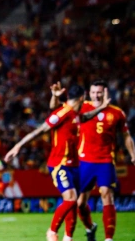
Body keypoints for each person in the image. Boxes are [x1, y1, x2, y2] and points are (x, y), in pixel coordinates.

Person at [5, 84, 102, 241]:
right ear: (82, 98)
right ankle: (51, 231)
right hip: (59, 163)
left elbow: (86, 117)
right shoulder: (63, 113)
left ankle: (68, 238)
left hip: (74, 165)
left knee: (73, 204)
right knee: (71, 198)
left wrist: (102, 107)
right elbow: (40, 130)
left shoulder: (77, 114)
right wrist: (18, 146)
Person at [51, 81, 135, 241]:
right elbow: (57, 110)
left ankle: (108, 238)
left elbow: (126, 135)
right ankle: (90, 227)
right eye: (94, 92)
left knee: (106, 194)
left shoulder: (117, 113)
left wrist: (133, 154)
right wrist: (55, 96)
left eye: (99, 92)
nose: (96, 95)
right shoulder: (81, 107)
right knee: (79, 203)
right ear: (89, 93)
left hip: (106, 160)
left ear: (105, 93)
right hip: (83, 161)